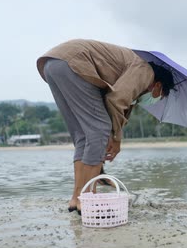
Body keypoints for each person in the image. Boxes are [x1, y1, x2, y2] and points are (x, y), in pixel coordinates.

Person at [37, 39, 175, 214]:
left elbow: (116, 105)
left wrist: (113, 136)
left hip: (53, 63)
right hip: (74, 63)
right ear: (158, 85)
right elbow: (115, 99)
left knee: (84, 135)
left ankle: (76, 199)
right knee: (98, 130)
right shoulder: (145, 70)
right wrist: (115, 138)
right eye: (161, 95)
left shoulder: (135, 78)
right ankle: (87, 196)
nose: (157, 99)